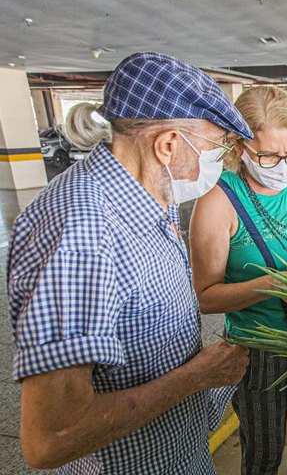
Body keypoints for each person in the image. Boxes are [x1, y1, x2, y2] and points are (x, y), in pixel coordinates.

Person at [7, 52, 251, 473]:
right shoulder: (82, 234)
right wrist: (199, 376)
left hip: (177, 452)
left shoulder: (154, 195)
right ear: (168, 144)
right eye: (218, 147)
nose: (222, 161)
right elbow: (52, 437)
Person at [190, 86, 287, 475]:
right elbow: (206, 297)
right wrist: (273, 286)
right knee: (263, 451)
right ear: (239, 147)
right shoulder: (217, 203)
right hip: (260, 351)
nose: (282, 163)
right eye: (269, 155)